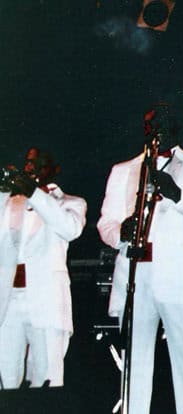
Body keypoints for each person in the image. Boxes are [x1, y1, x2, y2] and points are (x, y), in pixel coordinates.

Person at [98, 109, 183, 413]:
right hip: (135, 274)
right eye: (151, 125)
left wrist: (177, 195)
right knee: (134, 362)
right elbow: (105, 224)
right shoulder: (123, 170)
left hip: (178, 276)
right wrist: (120, 232)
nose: (157, 130)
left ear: (176, 128)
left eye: (164, 124)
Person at [0, 148, 87, 389]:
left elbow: (69, 229)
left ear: (55, 169)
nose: (31, 167)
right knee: (6, 381)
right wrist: (4, 191)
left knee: (47, 378)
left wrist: (34, 193)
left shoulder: (71, 203)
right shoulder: (9, 203)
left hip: (46, 302)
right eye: (28, 162)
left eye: (39, 162)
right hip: (8, 302)